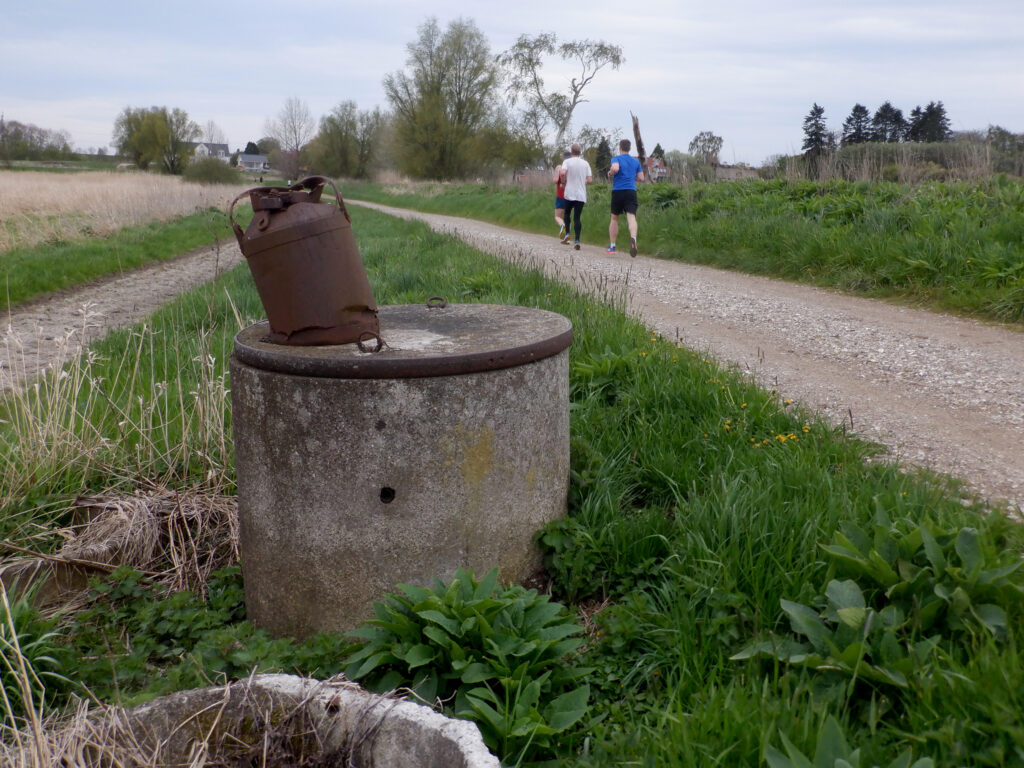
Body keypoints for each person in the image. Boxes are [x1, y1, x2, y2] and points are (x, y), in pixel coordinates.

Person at [606, 139, 645, 257]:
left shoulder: (616, 158)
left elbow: (615, 168)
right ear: (629, 148)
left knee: (614, 218)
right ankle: (633, 238)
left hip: (618, 191)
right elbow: (641, 178)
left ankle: (612, 245)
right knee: (631, 217)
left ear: (620, 147)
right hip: (631, 191)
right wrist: (632, 176)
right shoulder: (635, 161)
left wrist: (610, 173)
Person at [561, 143, 593, 250]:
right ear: (580, 152)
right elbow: (589, 180)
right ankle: (577, 240)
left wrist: (563, 181)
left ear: (571, 152)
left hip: (569, 192)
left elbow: (562, 172)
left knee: (567, 213)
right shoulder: (585, 163)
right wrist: (581, 181)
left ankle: (568, 234)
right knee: (577, 218)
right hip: (581, 194)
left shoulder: (567, 161)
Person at [554, 149, 572, 243]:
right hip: (571, 196)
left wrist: (557, 174)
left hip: (561, 195)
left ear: (563, 158)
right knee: (567, 216)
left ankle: (562, 226)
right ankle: (567, 238)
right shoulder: (572, 168)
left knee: (557, 216)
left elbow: (556, 180)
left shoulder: (560, 168)